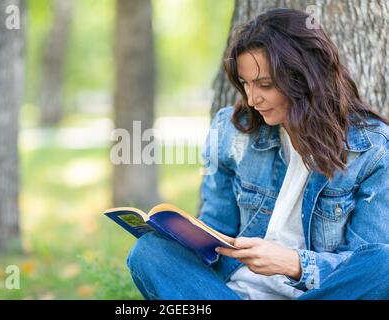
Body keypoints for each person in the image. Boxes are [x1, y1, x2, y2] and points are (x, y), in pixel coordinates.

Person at [126, 8, 389, 300]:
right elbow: (216, 229)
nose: (252, 99)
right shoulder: (231, 130)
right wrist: (184, 235)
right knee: (150, 252)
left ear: (306, 77)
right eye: (246, 84)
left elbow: (363, 263)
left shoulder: (372, 149)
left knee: (384, 265)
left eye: (264, 85)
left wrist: (294, 264)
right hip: (232, 293)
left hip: (318, 294)